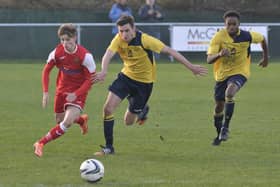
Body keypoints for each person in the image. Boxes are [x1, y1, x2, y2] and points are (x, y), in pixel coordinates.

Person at [92, 15, 208, 156]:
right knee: (108, 109)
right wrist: (104, 70)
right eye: (121, 31)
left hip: (144, 84)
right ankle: (109, 147)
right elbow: (108, 54)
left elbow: (170, 51)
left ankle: (142, 110)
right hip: (126, 78)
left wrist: (191, 67)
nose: (124, 34)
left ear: (133, 28)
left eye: (127, 30)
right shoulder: (118, 39)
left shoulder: (145, 40)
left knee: (128, 121)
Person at [33, 23, 96, 157]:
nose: (65, 43)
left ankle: (40, 143)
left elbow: (89, 81)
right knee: (59, 121)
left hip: (78, 93)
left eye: (67, 40)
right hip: (61, 91)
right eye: (62, 40)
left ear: (75, 38)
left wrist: (76, 94)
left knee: (66, 123)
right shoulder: (57, 52)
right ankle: (81, 120)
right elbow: (46, 71)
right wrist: (45, 92)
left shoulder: (85, 56)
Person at [207, 10, 268, 146]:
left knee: (230, 93)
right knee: (218, 106)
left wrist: (265, 58)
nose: (232, 27)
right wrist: (220, 54)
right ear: (225, 24)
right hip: (221, 75)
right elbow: (209, 59)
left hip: (240, 71)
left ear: (239, 24)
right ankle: (219, 134)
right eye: (229, 24)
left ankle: (225, 128)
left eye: (234, 24)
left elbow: (263, 39)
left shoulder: (247, 36)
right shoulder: (218, 37)